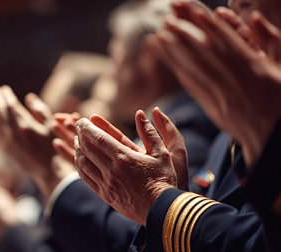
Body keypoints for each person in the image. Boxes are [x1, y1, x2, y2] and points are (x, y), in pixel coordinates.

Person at [72, 0, 280, 251]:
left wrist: (159, 199)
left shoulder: (192, 126)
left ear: (151, 54)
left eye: (244, 5)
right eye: (230, 4)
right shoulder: (228, 131)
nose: (225, 18)